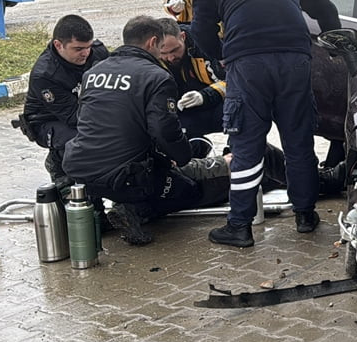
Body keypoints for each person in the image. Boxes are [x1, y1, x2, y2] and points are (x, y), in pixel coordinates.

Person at [191, 0, 342, 247]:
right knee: (298, 142)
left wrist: (220, 58)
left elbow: (200, 29)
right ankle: (305, 216)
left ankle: (240, 226)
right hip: (296, 60)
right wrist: (335, 46)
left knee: (246, 145)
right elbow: (327, 11)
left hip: (248, 65)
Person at [63, 16, 227, 245]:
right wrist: (181, 159)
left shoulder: (93, 72)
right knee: (192, 189)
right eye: (161, 48)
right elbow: (164, 132)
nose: (164, 56)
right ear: (152, 42)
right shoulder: (156, 77)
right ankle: (137, 210)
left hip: (79, 170)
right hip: (127, 176)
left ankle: (120, 207)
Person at [21, 15, 109, 183]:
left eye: (88, 47)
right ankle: (60, 168)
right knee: (85, 140)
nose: (85, 53)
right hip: (49, 120)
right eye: (78, 49)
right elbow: (73, 116)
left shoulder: (97, 53)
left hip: (88, 108)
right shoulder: (45, 74)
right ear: (58, 45)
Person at [156, 16, 225, 138]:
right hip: (181, 109)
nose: (171, 57)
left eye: (175, 50)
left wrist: (204, 96)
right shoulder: (149, 58)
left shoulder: (206, 44)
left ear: (183, 37)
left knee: (241, 108)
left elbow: (235, 80)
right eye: (164, 54)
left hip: (216, 102)